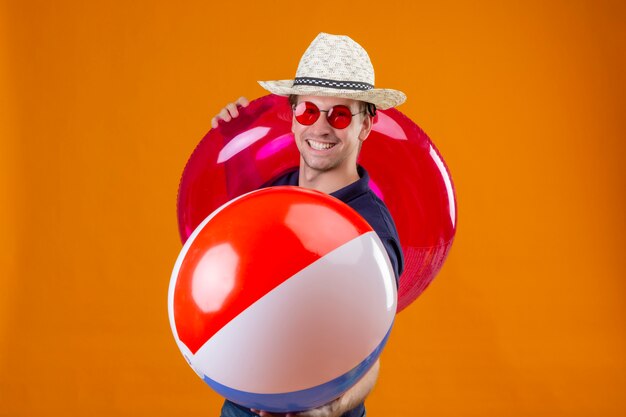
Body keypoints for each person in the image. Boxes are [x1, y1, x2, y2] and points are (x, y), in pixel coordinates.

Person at [212, 33, 406, 417]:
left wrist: (329, 410)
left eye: (339, 115)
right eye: (308, 112)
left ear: (365, 125)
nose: (320, 128)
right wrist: (231, 145)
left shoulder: (369, 230)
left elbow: (370, 351)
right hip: (242, 406)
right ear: (293, 117)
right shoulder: (275, 193)